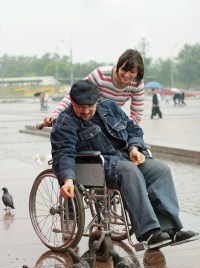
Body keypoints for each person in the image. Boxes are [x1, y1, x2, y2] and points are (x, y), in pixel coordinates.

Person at [51, 79, 197, 249]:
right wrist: (67, 179)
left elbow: (133, 129)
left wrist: (134, 148)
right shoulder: (65, 122)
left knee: (160, 170)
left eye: (90, 106)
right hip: (97, 166)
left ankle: (171, 229)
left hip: (125, 157)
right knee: (128, 171)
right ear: (72, 102)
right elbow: (64, 153)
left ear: (97, 100)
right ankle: (149, 232)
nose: (85, 111)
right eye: (80, 106)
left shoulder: (109, 107)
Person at [44, 49, 144, 126]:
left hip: (111, 120)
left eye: (132, 72)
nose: (126, 75)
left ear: (138, 73)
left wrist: (123, 128)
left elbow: (136, 115)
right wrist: (56, 114)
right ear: (118, 66)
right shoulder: (100, 75)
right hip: (88, 117)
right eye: (124, 69)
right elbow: (75, 96)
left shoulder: (137, 84)